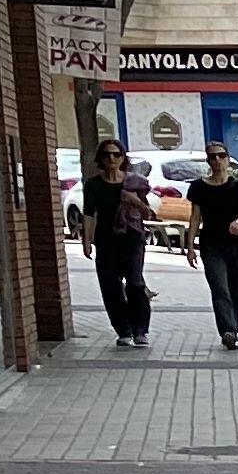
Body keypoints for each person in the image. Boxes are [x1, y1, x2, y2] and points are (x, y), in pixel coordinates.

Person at [185, 140, 238, 347]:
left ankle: (232, 328)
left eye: (221, 156)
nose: (217, 160)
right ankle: (227, 330)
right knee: (219, 288)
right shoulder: (198, 187)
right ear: (208, 161)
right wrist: (190, 247)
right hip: (212, 245)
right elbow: (195, 217)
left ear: (227, 158)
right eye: (212, 157)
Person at [80, 137, 149, 345]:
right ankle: (124, 331)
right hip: (106, 240)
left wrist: (134, 200)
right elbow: (89, 213)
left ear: (122, 158)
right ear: (100, 158)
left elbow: (148, 213)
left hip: (132, 237)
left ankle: (140, 330)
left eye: (116, 154)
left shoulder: (135, 182)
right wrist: (87, 239)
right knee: (111, 286)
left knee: (135, 283)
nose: (112, 158)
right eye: (107, 154)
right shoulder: (93, 185)